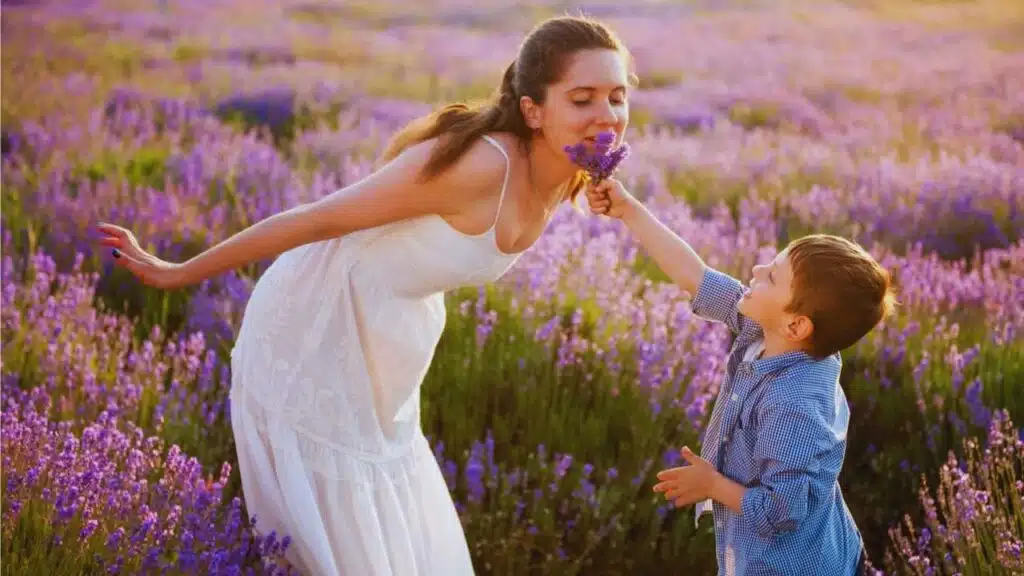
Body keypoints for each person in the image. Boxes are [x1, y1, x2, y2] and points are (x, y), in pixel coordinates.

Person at [96, 15, 636, 576]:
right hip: (319, 319)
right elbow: (318, 219)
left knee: (390, 514)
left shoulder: (575, 172)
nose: (607, 115)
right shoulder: (481, 165)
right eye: (582, 98)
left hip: (391, 335)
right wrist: (178, 272)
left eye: (617, 97)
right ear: (532, 110)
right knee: (343, 536)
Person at [585, 179, 894, 575]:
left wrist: (712, 486)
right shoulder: (768, 333)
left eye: (772, 278)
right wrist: (629, 210)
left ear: (796, 325)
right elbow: (696, 278)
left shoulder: (793, 404)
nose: (756, 268)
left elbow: (782, 512)